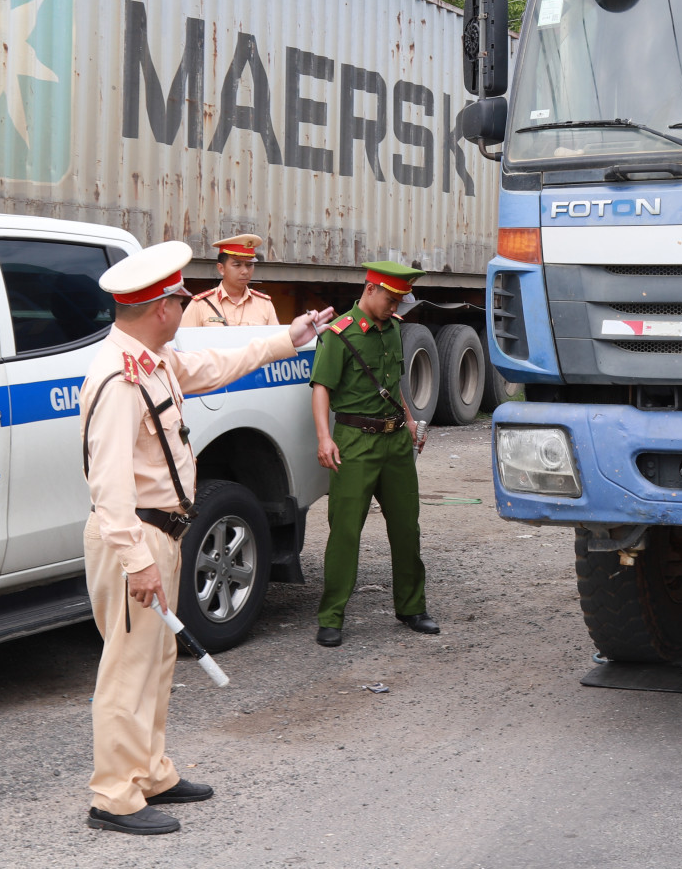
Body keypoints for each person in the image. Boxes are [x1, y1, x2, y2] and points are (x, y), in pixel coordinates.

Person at [79, 240, 333, 835]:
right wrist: (136, 560)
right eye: (177, 298)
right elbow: (108, 484)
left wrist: (285, 338)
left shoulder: (154, 359)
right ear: (159, 308)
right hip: (134, 539)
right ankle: (114, 796)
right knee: (126, 667)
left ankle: (151, 771)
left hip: (165, 533)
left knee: (157, 657)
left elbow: (216, 367)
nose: (184, 306)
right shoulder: (119, 377)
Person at [311, 261, 437, 648]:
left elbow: (391, 382)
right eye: (390, 298)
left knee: (406, 528)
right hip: (355, 442)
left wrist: (411, 419)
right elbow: (320, 388)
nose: (395, 306)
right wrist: (323, 438)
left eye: (400, 300)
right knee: (346, 532)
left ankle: (412, 607)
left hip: (396, 441)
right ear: (370, 289)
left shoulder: (394, 329)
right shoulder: (339, 334)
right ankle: (331, 616)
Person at [180, 234, 280, 327]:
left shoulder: (264, 304)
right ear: (221, 269)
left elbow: (275, 343)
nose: (245, 271)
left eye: (249, 265)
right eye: (237, 265)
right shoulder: (200, 304)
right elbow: (183, 342)